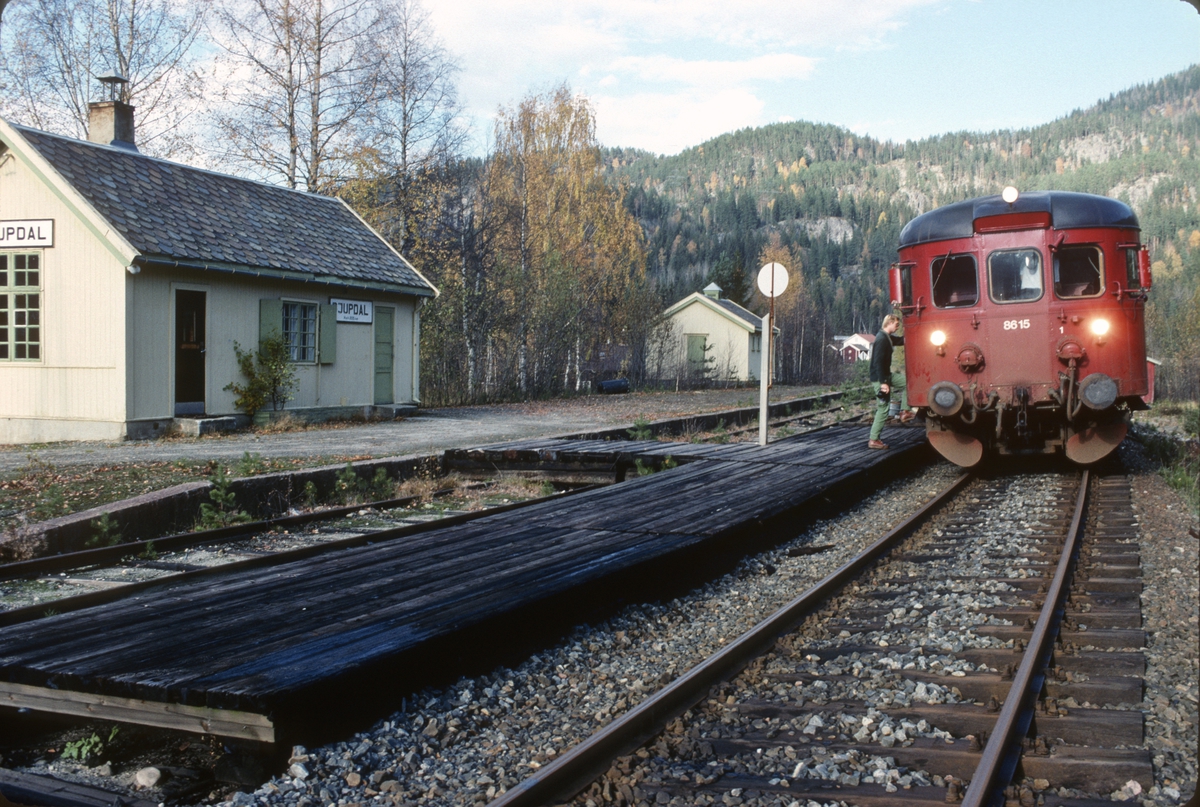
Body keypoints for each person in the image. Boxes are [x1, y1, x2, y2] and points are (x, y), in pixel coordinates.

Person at [868, 314, 911, 449]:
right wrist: (883, 383)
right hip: (880, 378)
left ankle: (905, 411)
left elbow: (899, 341)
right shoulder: (881, 339)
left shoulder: (887, 337)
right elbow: (877, 363)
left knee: (908, 382)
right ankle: (874, 440)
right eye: (897, 325)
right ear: (890, 322)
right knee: (883, 409)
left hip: (887, 375)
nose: (898, 327)